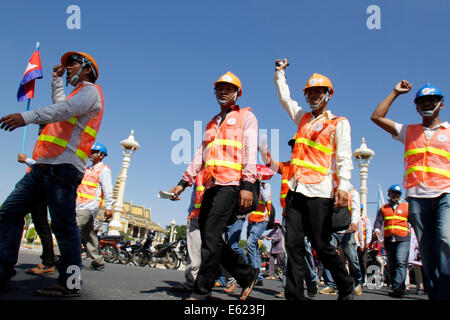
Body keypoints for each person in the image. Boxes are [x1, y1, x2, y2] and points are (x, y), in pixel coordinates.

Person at [0, 51, 105, 297]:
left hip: (64, 169)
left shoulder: (90, 92)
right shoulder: (77, 93)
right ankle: (3, 270)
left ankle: (70, 283)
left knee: (64, 225)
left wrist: (25, 117)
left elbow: (62, 110)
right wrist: (56, 80)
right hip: (43, 167)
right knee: (10, 212)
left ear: (87, 69)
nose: (67, 68)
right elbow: (62, 105)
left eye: (73, 64)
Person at [168, 71, 259, 300]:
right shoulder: (212, 123)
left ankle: (201, 291)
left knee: (210, 238)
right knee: (212, 238)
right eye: (219, 88)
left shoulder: (246, 117)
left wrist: (247, 184)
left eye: (228, 89)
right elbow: (201, 155)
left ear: (237, 94)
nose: (223, 92)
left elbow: (249, 151)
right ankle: (246, 274)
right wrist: (183, 182)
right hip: (211, 186)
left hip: (232, 185)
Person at [274, 59, 354, 300]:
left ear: (328, 95)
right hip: (296, 191)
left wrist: (345, 187)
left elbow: (343, 157)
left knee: (321, 245)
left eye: (318, 92)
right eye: (309, 92)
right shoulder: (303, 118)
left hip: (321, 191)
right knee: (294, 247)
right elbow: (285, 100)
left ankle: (345, 284)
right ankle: (294, 296)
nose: (313, 96)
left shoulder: (338, 123)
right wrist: (280, 74)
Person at [371, 81, 450, 300]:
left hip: (445, 194)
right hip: (417, 198)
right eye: (422, 102)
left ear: (441, 105)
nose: (427, 104)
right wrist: (395, 92)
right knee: (427, 252)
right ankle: (436, 295)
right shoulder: (409, 131)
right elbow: (376, 117)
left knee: (445, 241)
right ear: (416, 107)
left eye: (432, 100)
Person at [260, 137, 319, 298]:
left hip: (304, 216)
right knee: (288, 253)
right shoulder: (285, 166)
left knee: (305, 250)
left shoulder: (311, 168)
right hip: (287, 215)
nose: (294, 150)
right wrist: (263, 150)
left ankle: (312, 281)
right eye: (292, 147)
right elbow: (269, 163)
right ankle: (288, 287)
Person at [17, 125, 58, 275]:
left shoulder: (51, 142)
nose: (40, 130)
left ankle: (49, 261)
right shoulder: (40, 142)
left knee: (12, 215)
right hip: (32, 182)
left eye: (43, 127)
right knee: (40, 223)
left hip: (39, 185)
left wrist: (26, 160)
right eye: (40, 127)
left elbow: (46, 165)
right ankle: (49, 260)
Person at [76, 142, 113, 271]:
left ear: (101, 155)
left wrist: (109, 207)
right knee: (88, 234)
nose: (90, 154)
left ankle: (57, 256)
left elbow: (108, 190)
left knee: (73, 229)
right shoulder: (87, 169)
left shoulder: (104, 170)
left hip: (89, 206)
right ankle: (98, 260)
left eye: (93, 152)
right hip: (78, 205)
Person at [320, 188, 363, 296]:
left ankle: (357, 282)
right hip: (332, 230)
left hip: (347, 231)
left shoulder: (352, 192)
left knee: (352, 259)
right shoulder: (330, 190)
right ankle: (331, 285)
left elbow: (355, 209)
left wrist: (353, 222)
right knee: (328, 256)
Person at [373, 185, 410, 298]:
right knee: (392, 264)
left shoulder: (406, 207)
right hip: (389, 239)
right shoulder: (384, 208)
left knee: (400, 261)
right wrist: (377, 229)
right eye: (393, 193)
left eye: (398, 193)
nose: (396, 195)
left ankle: (399, 287)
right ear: (389, 194)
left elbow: (413, 220)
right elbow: (378, 222)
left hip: (403, 239)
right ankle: (396, 286)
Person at [246, 179, 271, 286]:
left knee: (250, 244)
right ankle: (259, 276)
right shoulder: (251, 187)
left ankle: (254, 275)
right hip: (251, 222)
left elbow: (265, 198)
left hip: (261, 221)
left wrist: (260, 184)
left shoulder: (266, 185)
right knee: (254, 248)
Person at [356, 205, 372, 286]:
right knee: (355, 262)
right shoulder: (353, 218)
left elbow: (368, 231)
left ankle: (363, 278)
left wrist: (367, 242)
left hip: (363, 245)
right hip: (355, 244)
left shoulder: (366, 220)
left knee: (363, 262)